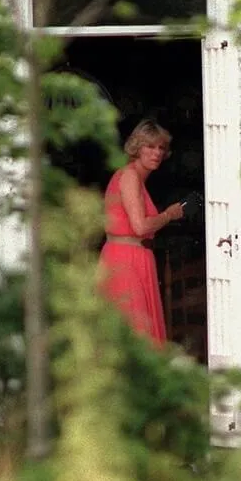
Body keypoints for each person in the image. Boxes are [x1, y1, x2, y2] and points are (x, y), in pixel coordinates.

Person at [99, 119, 184, 345]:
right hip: (125, 260)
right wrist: (168, 215)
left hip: (132, 257)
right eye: (150, 146)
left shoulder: (133, 177)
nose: (156, 153)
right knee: (134, 334)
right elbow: (140, 226)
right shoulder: (130, 177)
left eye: (161, 148)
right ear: (137, 147)